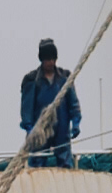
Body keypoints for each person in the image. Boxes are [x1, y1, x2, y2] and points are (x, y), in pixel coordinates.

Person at [20, 38, 81, 168]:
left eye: (53, 59)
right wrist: (30, 128)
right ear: (42, 59)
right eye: (47, 59)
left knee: (65, 161)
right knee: (38, 161)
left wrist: (76, 122)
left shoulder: (64, 78)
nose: (51, 62)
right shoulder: (32, 80)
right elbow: (27, 108)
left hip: (62, 128)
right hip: (40, 130)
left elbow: (73, 103)